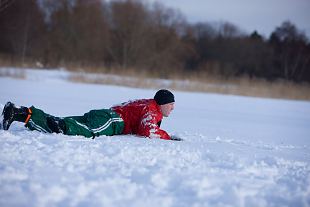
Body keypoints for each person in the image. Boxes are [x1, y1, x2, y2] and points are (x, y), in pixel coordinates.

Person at [1, 89, 182, 141]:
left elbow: (120, 106)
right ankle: (62, 127)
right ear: (163, 103)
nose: (173, 108)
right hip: (112, 120)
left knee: (59, 122)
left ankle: (19, 112)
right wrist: (168, 137)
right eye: (171, 104)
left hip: (107, 115)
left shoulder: (147, 104)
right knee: (86, 131)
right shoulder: (152, 109)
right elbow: (148, 131)